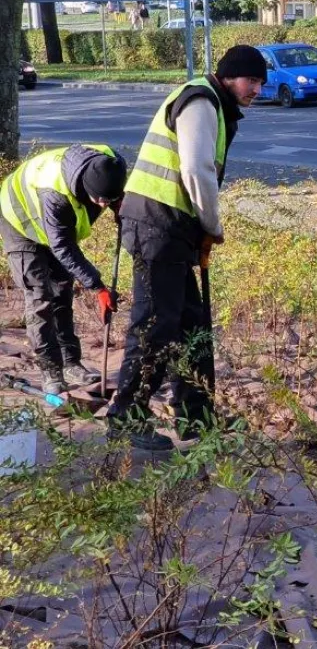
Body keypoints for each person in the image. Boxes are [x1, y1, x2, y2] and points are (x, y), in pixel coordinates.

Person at [105, 45, 266, 451]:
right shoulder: (200, 102)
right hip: (158, 226)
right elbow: (197, 170)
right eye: (252, 81)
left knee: (191, 323)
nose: (258, 90)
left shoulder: (212, 101)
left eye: (261, 82)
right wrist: (212, 225)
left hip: (171, 228)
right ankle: (126, 418)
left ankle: (196, 415)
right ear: (229, 77)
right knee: (156, 325)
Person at [0, 146, 126, 395]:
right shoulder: (55, 193)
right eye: (99, 199)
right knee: (39, 296)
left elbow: (113, 195)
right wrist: (97, 286)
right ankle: (51, 370)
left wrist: (119, 205)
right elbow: (62, 246)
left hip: (55, 224)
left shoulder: (112, 164)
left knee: (62, 290)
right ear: (84, 186)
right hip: (20, 220)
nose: (102, 204)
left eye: (107, 199)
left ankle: (70, 363)